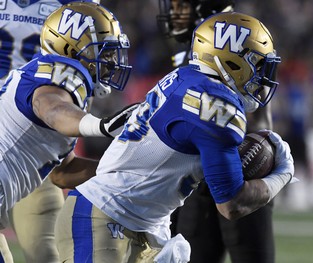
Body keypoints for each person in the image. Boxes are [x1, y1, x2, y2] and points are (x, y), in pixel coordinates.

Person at [55, 11, 294, 263]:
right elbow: (231, 203)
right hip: (106, 216)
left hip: (141, 225)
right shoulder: (217, 106)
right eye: (256, 64)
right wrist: (282, 175)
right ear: (232, 62)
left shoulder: (186, 77)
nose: (261, 76)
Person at [0, 2, 134, 262]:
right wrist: (101, 126)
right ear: (73, 48)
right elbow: (50, 108)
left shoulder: (58, 77)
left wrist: (129, 173)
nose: (110, 61)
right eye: (104, 52)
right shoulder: (62, 71)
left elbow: (62, 172)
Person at [157, 0, 277, 262]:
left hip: (234, 172)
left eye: (181, 6)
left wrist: (237, 159)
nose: (173, 13)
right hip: (192, 179)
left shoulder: (242, 37)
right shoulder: (192, 44)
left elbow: (260, 114)